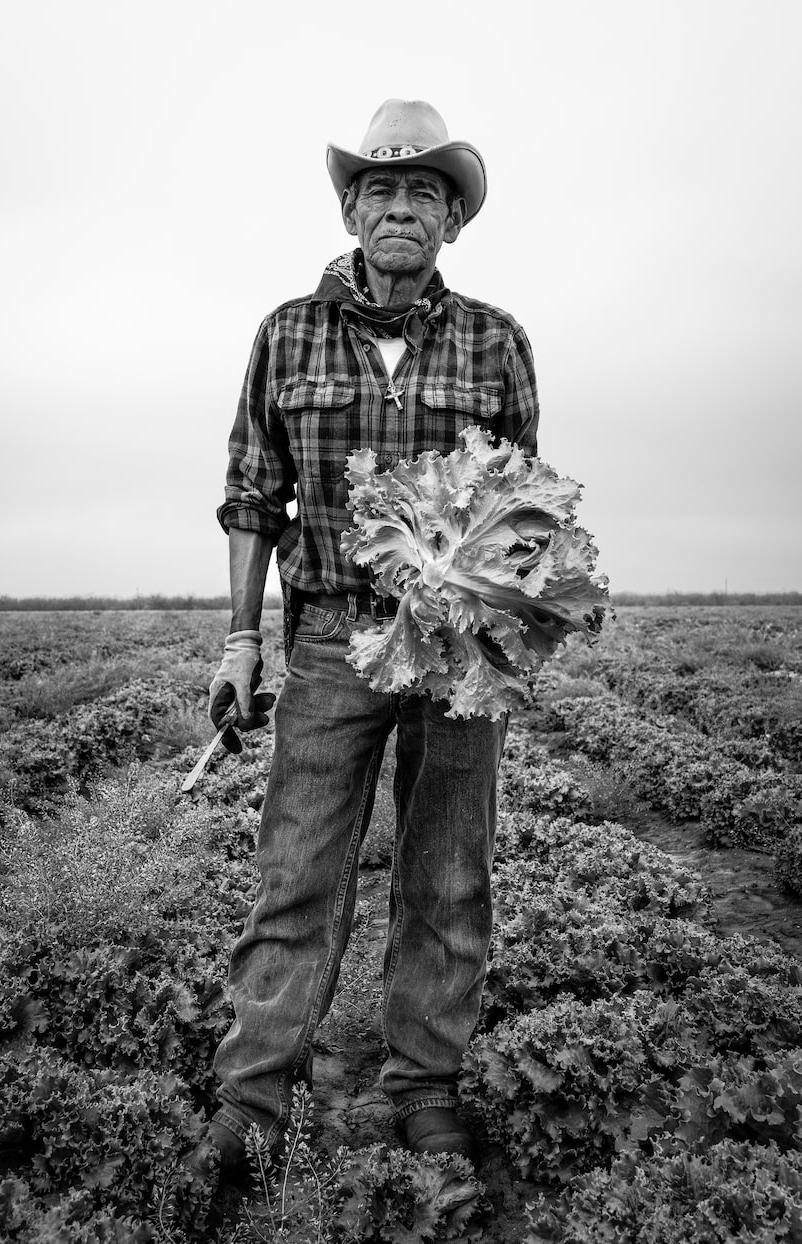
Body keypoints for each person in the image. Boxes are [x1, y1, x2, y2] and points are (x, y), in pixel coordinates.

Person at [202, 99, 539, 1197]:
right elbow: (253, 496)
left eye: (425, 193)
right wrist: (241, 640)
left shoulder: (495, 338)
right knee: (296, 875)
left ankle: (421, 1086)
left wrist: (494, 603)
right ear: (351, 208)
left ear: (451, 221)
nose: (402, 208)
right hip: (331, 640)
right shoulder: (285, 332)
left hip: (456, 649)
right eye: (382, 190)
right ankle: (252, 1098)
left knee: (447, 875)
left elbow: (522, 507)